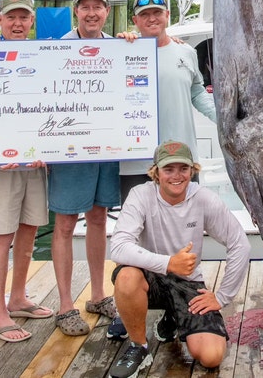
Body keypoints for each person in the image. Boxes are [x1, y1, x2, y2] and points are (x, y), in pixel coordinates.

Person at [106, 0, 218, 341]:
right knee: (136, 239)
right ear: (134, 21)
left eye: (157, 12)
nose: (151, 18)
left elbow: (198, 93)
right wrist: (120, 42)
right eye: (144, 15)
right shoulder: (122, 50)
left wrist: (226, 122)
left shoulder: (186, 52)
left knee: (183, 237)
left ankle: (174, 308)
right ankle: (129, 311)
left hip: (180, 162)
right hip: (136, 160)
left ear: (167, 14)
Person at [107, 140, 249, 378]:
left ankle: (172, 318)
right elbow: (119, 248)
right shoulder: (140, 195)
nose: (176, 176)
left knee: (211, 357)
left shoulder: (204, 198)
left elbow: (240, 243)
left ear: (192, 171)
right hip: (150, 277)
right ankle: (138, 347)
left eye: (183, 169)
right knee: (126, 276)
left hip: (187, 283)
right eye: (168, 169)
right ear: (156, 172)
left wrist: (222, 297)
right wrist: (168, 263)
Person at [0, 0, 54, 343]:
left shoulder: (45, 57)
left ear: (31, 22)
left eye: (24, 18)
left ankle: (18, 297)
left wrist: (50, 148)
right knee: (0, 238)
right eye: (11, 18)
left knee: (29, 229)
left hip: (34, 161)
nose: (18, 24)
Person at [49, 0, 126, 336]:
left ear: (107, 12)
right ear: (75, 12)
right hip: (69, 150)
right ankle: (65, 306)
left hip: (106, 148)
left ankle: (97, 295)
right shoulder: (57, 49)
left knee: (98, 219)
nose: (91, 13)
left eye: (98, 7)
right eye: (85, 7)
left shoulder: (119, 48)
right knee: (64, 225)